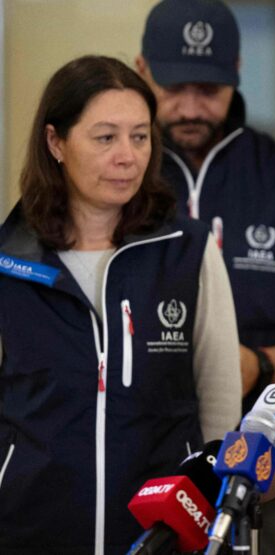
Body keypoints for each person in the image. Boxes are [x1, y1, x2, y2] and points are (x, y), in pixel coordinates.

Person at [135, 0, 275, 549]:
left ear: (236, 72)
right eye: (174, 87)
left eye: (209, 89)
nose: (191, 107)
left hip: (265, 471)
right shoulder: (119, 179)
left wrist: (262, 363)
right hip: (133, 460)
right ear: (142, 70)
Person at [0, 56, 241, 554]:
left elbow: (219, 402)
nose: (128, 156)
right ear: (55, 143)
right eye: (106, 137)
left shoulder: (187, 250)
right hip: (31, 528)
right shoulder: (9, 260)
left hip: (163, 531)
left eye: (140, 136)